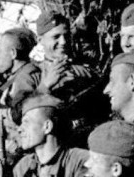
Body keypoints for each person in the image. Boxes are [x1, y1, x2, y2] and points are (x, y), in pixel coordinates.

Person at [33, 10, 100, 140]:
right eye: (56, 37)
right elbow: (20, 112)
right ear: (40, 40)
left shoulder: (85, 72)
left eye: (66, 36)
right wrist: (44, 86)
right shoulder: (33, 74)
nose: (63, 42)